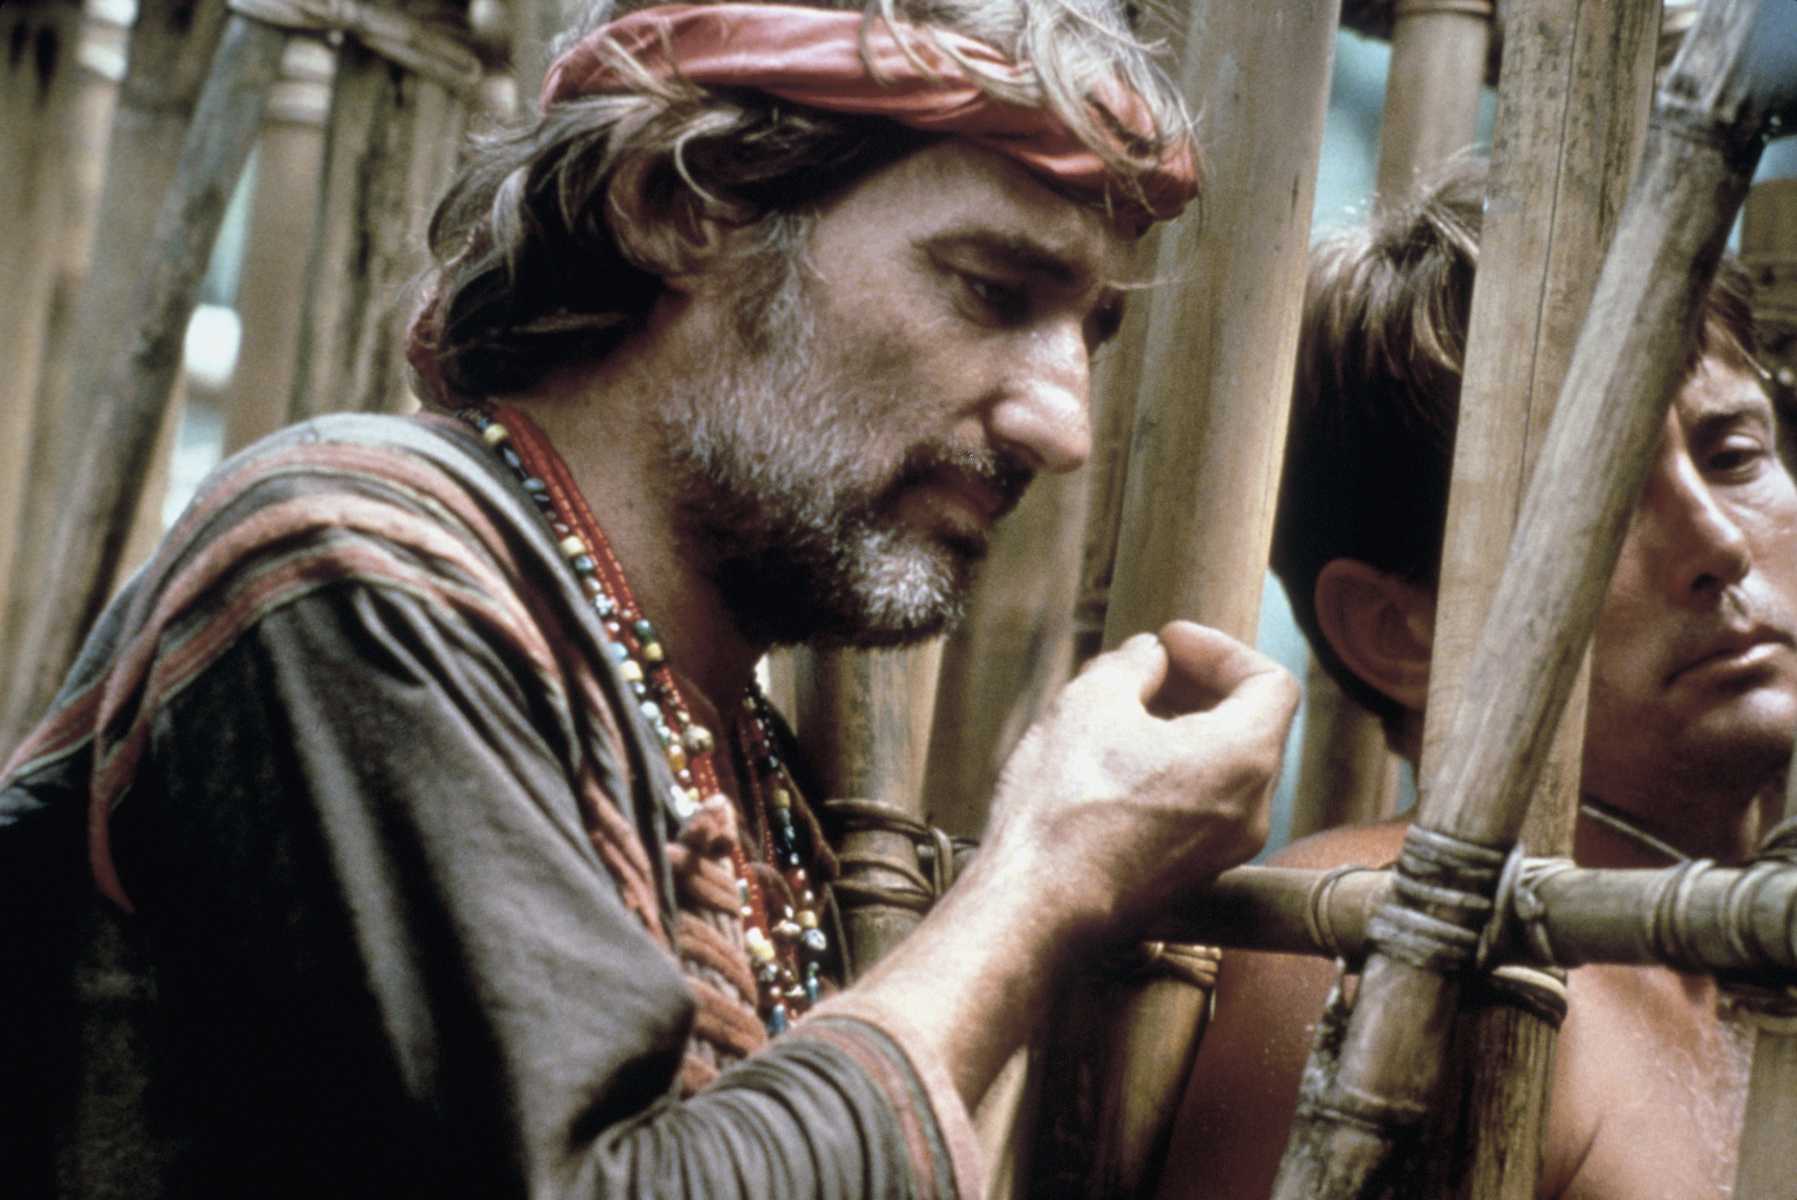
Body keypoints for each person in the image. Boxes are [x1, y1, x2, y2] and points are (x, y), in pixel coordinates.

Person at [0, 1, 1300, 1196]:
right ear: (679, 206)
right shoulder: (352, 569)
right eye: (991, 292)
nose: (1063, 425)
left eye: (1089, 334)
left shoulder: (743, 758)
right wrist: (1047, 875)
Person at [1155, 159, 1797, 1200]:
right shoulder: (1384, 950)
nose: (1719, 544)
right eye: (1597, 499)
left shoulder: (1745, 946)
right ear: (1398, 631)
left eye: (1733, 455)